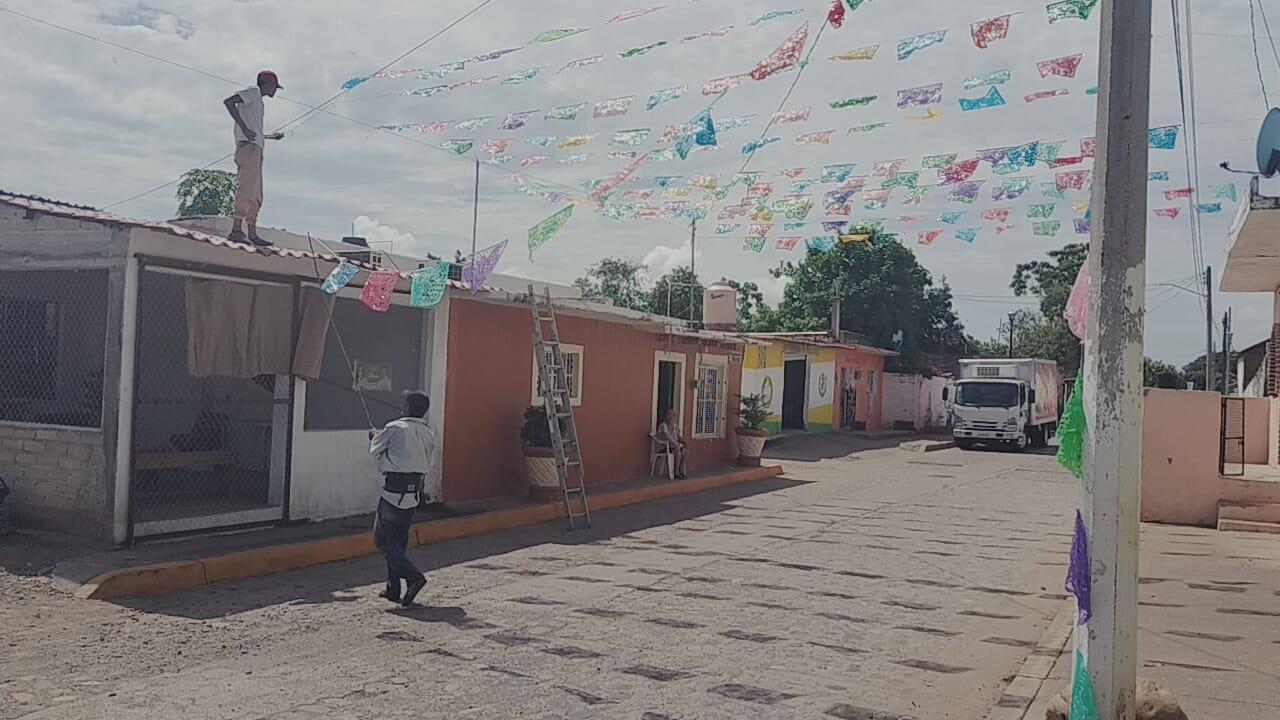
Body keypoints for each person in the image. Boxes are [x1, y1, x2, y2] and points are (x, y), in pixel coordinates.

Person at [369, 391, 434, 607]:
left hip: (393, 492)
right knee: (397, 541)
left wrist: (374, 437)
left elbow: (375, 449)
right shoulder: (428, 432)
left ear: (406, 407)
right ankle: (392, 588)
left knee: (383, 540)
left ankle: (414, 577)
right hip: (413, 493)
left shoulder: (394, 427)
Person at [224, 70, 285, 247]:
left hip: (255, 147)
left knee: (256, 193)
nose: (275, 91)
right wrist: (244, 129)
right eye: (274, 87)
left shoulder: (257, 101)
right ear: (267, 84)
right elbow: (229, 102)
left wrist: (269, 137)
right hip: (248, 148)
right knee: (247, 188)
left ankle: (251, 232)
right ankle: (236, 229)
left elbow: (253, 131)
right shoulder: (253, 92)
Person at [656, 408, 688, 479]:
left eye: (673, 415)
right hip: (665, 447)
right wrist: (674, 443)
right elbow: (665, 436)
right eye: (669, 415)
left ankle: (681, 471)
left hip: (674, 446)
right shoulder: (662, 426)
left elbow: (678, 436)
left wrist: (683, 442)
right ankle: (676, 472)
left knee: (685, 451)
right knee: (677, 450)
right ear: (666, 416)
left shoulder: (675, 426)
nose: (671, 417)